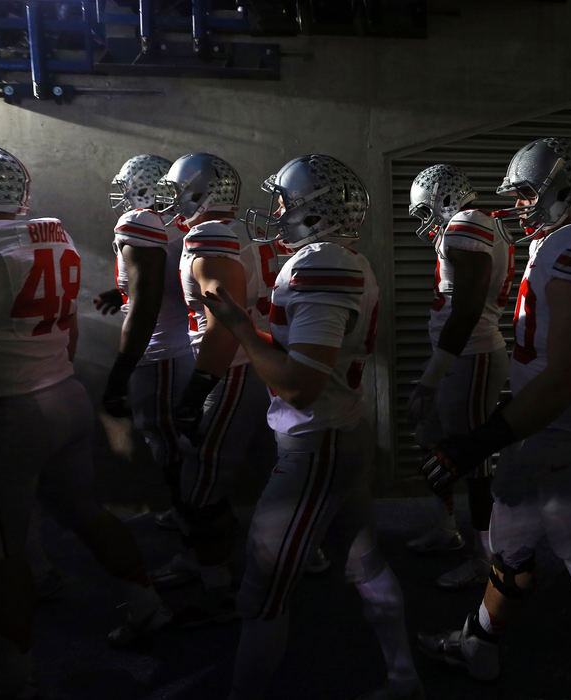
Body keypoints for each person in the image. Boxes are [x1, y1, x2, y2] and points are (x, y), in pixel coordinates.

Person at [417, 137, 571, 700]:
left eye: (528, 193)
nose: (519, 205)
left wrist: (479, 439)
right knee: (510, 548)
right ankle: (479, 644)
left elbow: (569, 375)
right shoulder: (560, 244)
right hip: (539, 431)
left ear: (566, 192)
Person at [204, 154, 422, 700]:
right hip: (336, 432)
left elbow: (299, 385)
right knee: (365, 564)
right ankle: (403, 679)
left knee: (262, 591)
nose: (276, 209)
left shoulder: (324, 264)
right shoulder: (334, 258)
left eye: (285, 200)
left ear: (314, 211)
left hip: (315, 441)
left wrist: (239, 328)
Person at [0, 145, 169, 698]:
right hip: (62, 391)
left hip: (11, 407)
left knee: (3, 550)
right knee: (83, 510)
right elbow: (66, 327)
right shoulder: (52, 231)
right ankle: (147, 604)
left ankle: (13, 677)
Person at [149, 153, 287, 614]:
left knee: (200, 480)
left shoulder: (208, 238)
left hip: (231, 369)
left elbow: (223, 325)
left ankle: (216, 586)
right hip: (250, 365)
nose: (166, 199)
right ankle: (208, 560)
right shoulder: (245, 229)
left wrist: (197, 389)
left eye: (173, 190)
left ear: (197, 192)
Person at [405, 163, 515, 589]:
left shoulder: (466, 225)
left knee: (472, 461)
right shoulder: (478, 223)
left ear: (444, 198)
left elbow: (467, 310)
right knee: (433, 443)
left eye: (423, 210)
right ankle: (446, 529)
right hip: (459, 356)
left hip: (471, 357)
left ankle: (485, 556)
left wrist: (431, 378)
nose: (422, 220)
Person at [92, 154, 193, 531]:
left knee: (167, 447)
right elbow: (168, 281)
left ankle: (195, 537)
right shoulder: (176, 221)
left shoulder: (139, 221)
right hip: (185, 348)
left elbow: (147, 303)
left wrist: (119, 375)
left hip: (163, 351)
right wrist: (123, 293)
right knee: (179, 444)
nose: (124, 192)